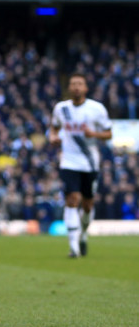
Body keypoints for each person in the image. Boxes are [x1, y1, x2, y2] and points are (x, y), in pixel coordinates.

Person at [48, 73, 112, 258]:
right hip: (68, 161)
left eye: (80, 84)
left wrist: (94, 134)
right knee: (72, 199)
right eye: (73, 83)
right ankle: (73, 247)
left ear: (85, 88)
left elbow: (108, 134)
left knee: (87, 205)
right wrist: (52, 136)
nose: (76, 87)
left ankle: (83, 235)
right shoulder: (61, 109)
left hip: (90, 163)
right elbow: (54, 127)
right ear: (69, 88)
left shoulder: (96, 109)